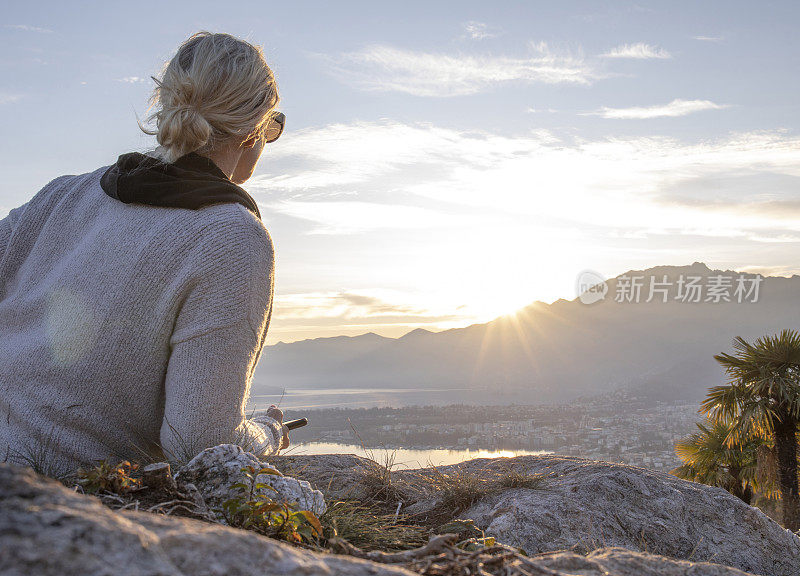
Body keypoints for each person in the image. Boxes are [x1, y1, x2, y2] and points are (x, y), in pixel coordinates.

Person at [0, 31, 289, 477]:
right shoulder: (232, 240)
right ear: (254, 131)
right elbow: (198, 442)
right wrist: (266, 432)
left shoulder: (62, 195)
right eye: (274, 125)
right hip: (59, 497)